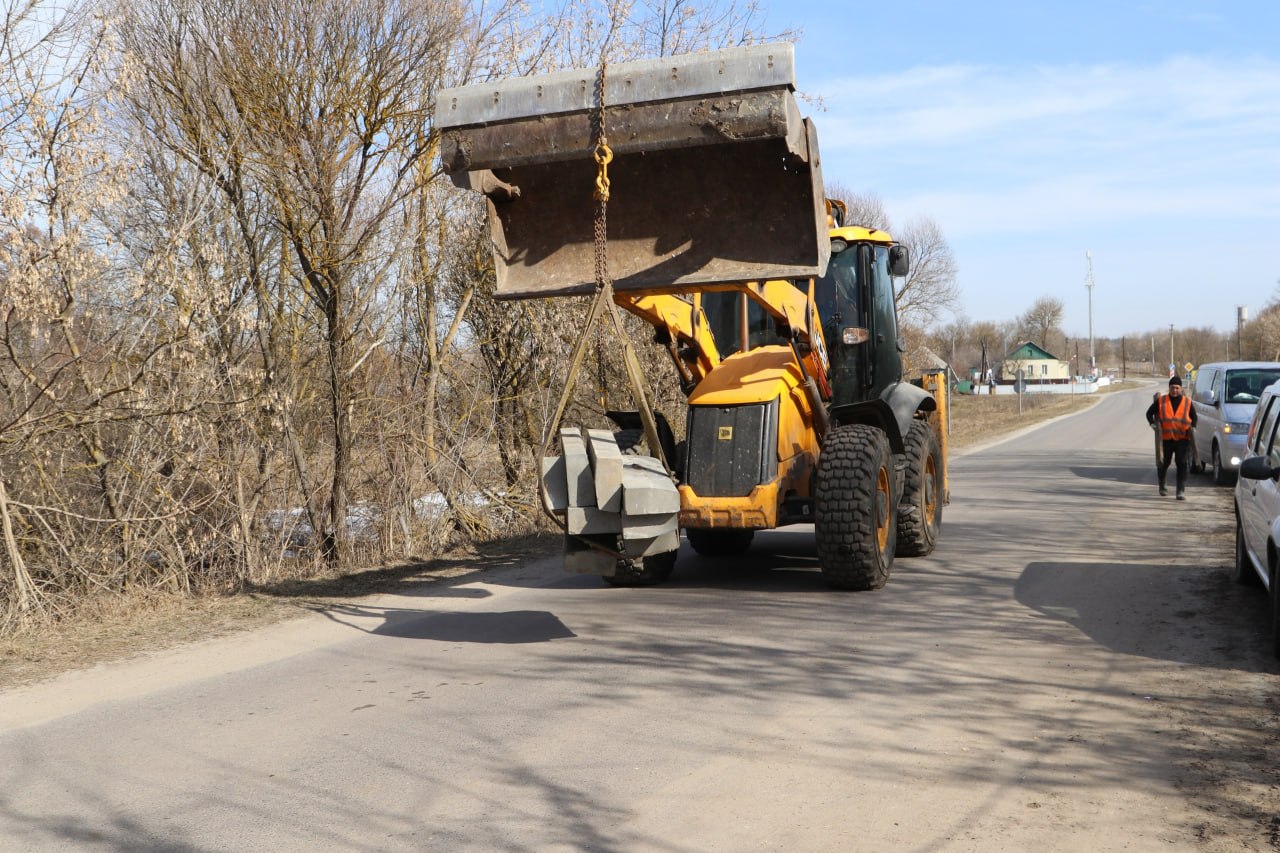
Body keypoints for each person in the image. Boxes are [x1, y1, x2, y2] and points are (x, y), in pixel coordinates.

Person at [1146, 375, 1197, 499]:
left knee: (1181, 463)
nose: (1175, 390)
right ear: (1169, 388)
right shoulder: (1161, 401)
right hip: (1166, 439)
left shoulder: (1187, 402)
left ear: (1181, 389)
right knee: (1164, 463)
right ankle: (1162, 485)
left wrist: (1193, 428)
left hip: (1182, 438)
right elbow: (1149, 413)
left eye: (1177, 388)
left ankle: (1180, 491)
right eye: (1172, 388)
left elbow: (1194, 417)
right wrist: (1153, 425)